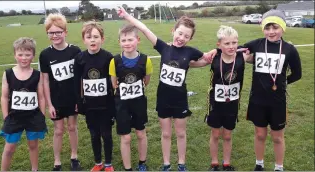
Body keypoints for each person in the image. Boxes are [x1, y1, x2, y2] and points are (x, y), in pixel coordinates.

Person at [117, 6, 211, 171]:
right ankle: (166, 163)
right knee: (166, 134)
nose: (182, 38)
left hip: (180, 99)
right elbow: (144, 29)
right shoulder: (163, 47)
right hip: (163, 99)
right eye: (180, 33)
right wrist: (126, 16)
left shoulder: (190, 52)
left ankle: (181, 164)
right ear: (173, 31)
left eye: (186, 36)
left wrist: (213, 54)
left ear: (190, 38)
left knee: (181, 133)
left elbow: (204, 60)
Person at [208, 9, 302, 171]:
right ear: (263, 28)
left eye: (275, 27)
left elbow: (297, 73)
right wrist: (215, 51)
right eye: (267, 28)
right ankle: (259, 164)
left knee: (277, 137)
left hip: (277, 100)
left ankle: (279, 167)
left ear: (283, 28)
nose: (271, 32)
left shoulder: (289, 49)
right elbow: (233, 49)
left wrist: (283, 82)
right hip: (257, 99)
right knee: (260, 134)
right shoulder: (256, 44)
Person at [192, 25, 251, 171]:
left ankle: (226, 163)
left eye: (234, 43)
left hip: (232, 103)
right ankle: (214, 163)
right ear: (219, 44)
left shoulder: (242, 57)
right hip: (215, 103)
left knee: (228, 135)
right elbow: (192, 62)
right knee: (215, 134)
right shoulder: (213, 58)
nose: (231, 46)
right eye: (227, 43)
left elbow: (261, 51)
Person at [38, 13, 82, 171]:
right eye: (51, 32)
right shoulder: (45, 55)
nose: (55, 35)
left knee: (72, 127)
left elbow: (80, 78)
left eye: (58, 32)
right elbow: (45, 80)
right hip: (56, 99)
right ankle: (57, 161)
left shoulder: (75, 51)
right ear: (47, 34)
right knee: (58, 130)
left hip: (73, 98)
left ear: (65, 32)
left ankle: (74, 157)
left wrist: (79, 99)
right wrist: (49, 104)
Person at [109, 24, 153, 171]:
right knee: (126, 137)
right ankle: (128, 168)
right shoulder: (114, 61)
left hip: (139, 102)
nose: (127, 43)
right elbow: (114, 83)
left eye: (130, 39)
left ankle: (142, 163)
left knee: (141, 133)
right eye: (123, 40)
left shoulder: (146, 60)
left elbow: (146, 81)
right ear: (119, 42)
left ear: (138, 40)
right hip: (122, 104)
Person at [0, 37, 47, 171]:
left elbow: (41, 97)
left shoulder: (37, 75)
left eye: (27, 54)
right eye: (20, 55)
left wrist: (42, 115)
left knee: (33, 145)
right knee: (9, 148)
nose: (24, 58)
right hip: (14, 117)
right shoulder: (8, 74)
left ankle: (35, 169)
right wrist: (6, 116)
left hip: (33, 116)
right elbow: (4, 97)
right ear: (15, 55)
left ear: (33, 55)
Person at [73, 21, 115, 171]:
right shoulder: (79, 59)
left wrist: (113, 103)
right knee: (94, 134)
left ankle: (109, 164)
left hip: (105, 104)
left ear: (102, 39)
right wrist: (79, 101)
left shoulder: (108, 57)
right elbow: (77, 81)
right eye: (89, 37)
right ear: (84, 39)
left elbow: (112, 82)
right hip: (89, 105)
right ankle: (98, 162)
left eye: (96, 37)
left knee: (106, 134)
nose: (92, 40)